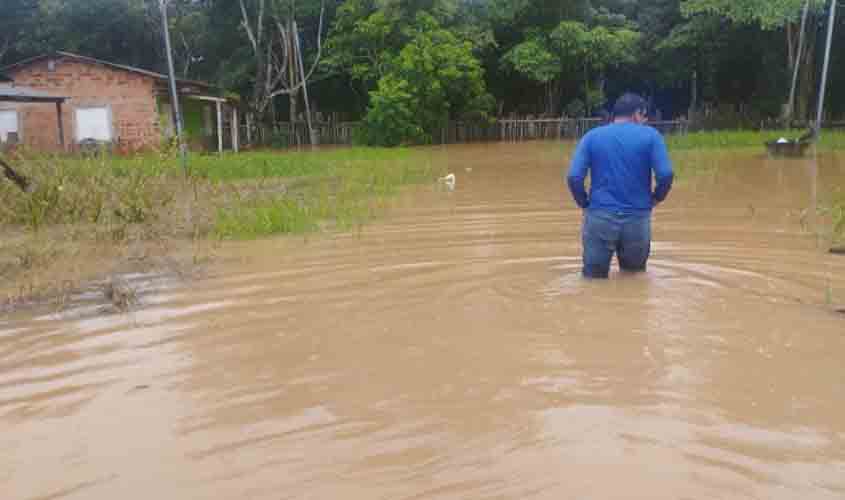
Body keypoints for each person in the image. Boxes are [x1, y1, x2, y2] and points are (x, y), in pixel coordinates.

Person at [566, 93, 674, 279]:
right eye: (644, 116)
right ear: (637, 114)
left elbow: (574, 177)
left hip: (599, 217)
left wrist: (584, 204)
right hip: (637, 219)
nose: (645, 121)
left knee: (593, 282)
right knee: (634, 281)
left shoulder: (592, 137)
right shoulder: (651, 136)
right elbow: (665, 175)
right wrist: (656, 198)